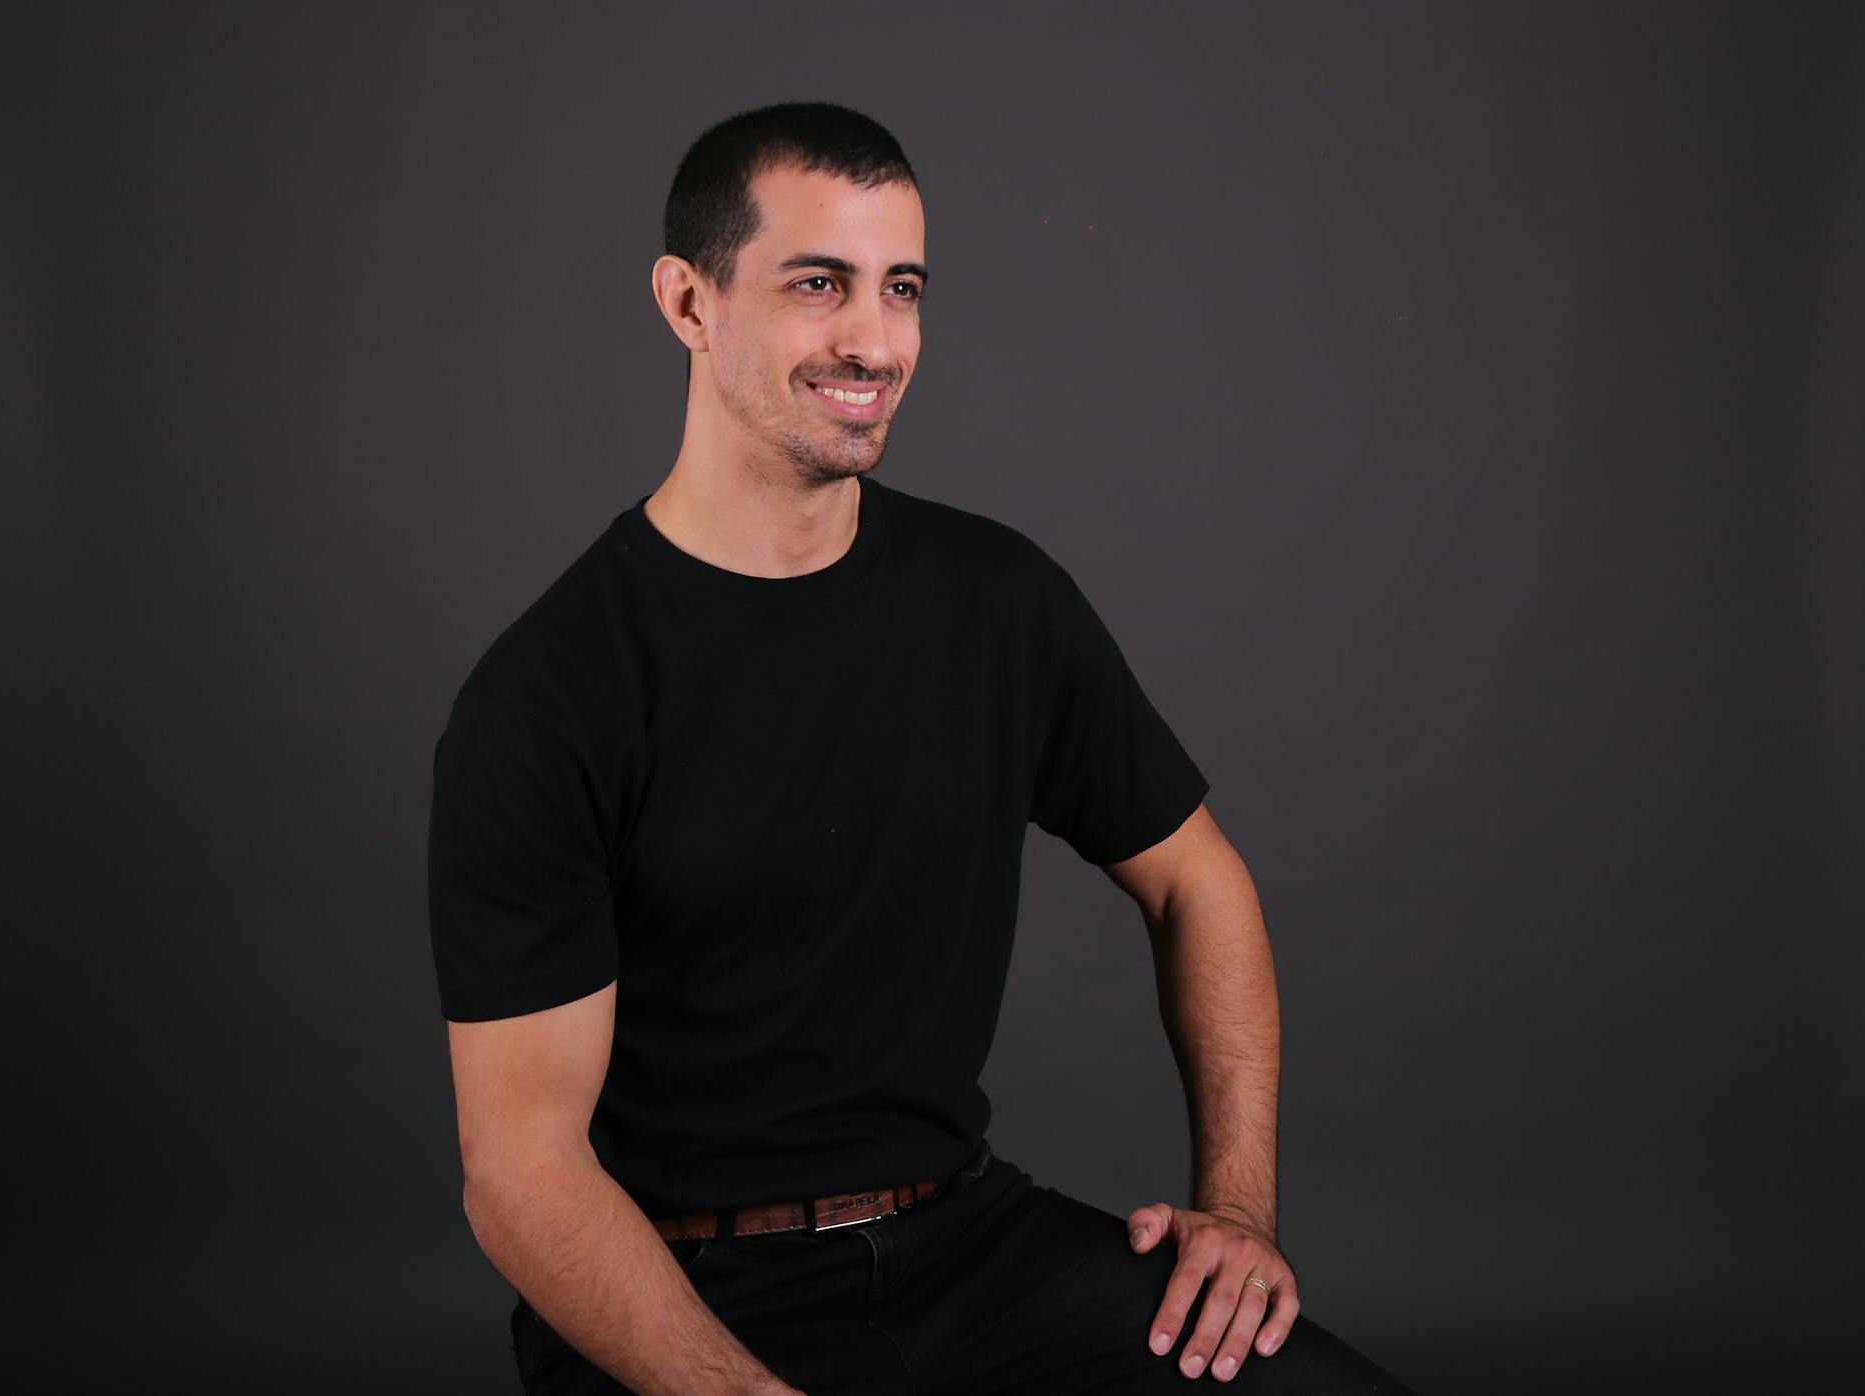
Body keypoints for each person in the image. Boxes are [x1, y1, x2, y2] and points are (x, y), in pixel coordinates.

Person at [428, 101, 1416, 1396]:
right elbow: (523, 1177)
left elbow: (1199, 881)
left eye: (903, 288)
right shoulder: (551, 696)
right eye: (819, 284)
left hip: (970, 1249)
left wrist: (1238, 1210)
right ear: (688, 302)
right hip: (681, 1300)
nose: (875, 341)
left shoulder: (998, 603)